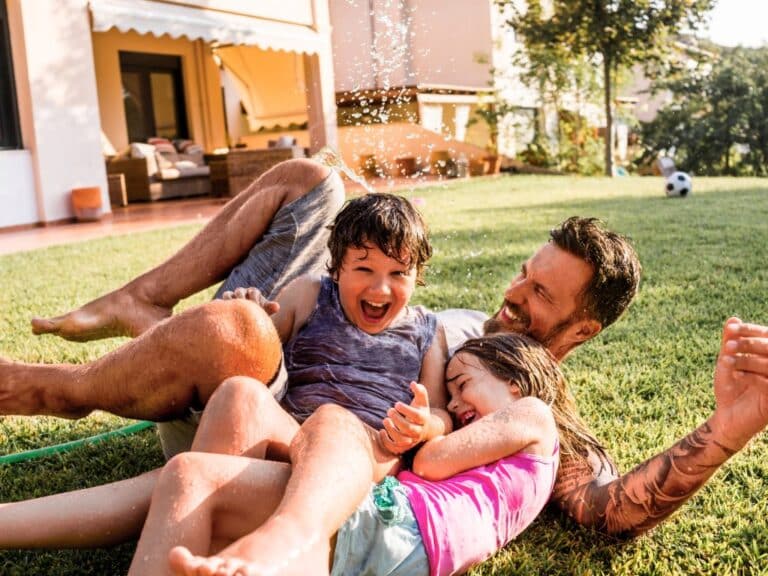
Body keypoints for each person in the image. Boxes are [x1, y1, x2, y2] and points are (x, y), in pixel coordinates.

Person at [1, 157, 767, 541]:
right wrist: (358, 261)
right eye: (523, 274)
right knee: (315, 176)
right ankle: (142, 302)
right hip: (307, 334)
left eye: (540, 297)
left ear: (581, 332)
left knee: (235, 337)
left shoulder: (529, 402)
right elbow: (365, 274)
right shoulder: (431, 307)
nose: (514, 297)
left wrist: (730, 426)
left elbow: (607, 507)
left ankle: (58, 390)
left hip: (277, 419)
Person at [134, 333, 582, 576]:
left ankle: (277, 544)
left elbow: (431, 462)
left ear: (515, 384)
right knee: (190, 473)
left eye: (462, 386)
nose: (458, 405)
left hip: (402, 527)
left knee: (329, 423)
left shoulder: (533, 414)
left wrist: (430, 428)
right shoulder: (512, 454)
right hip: (392, 530)